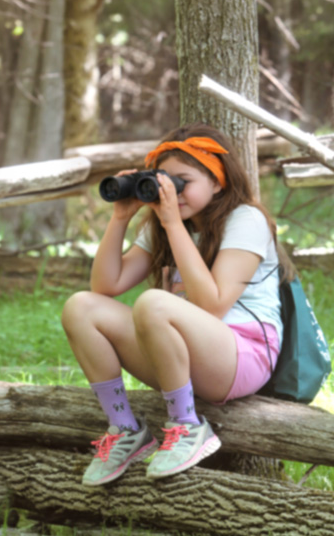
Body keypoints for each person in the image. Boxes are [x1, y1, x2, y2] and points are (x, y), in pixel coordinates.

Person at [61, 123, 293, 485]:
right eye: (163, 181)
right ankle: (125, 430)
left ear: (217, 182)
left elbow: (212, 305)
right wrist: (120, 217)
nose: (172, 192)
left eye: (182, 181)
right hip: (184, 357)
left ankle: (187, 427)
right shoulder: (164, 226)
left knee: (154, 303)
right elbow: (106, 284)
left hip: (241, 357)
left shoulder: (246, 219)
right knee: (81, 307)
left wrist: (172, 224)